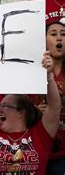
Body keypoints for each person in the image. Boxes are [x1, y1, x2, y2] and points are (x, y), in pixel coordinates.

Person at [0, 49, 61, 174]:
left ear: (21, 112)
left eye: (5, 106)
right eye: (0, 106)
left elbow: (54, 107)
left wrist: (48, 75)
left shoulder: (41, 135)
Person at [30, 18, 65, 173]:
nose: (59, 38)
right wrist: (35, 110)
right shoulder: (30, 71)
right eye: (53, 34)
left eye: (63, 34)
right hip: (37, 147)